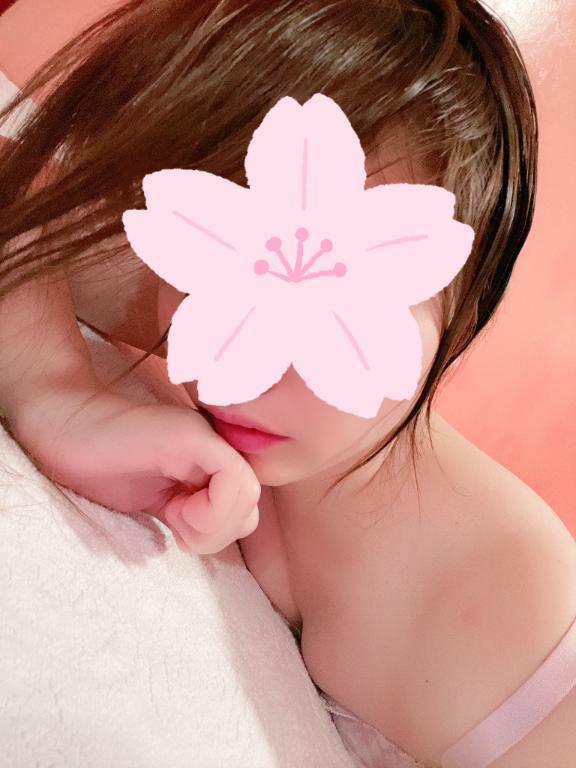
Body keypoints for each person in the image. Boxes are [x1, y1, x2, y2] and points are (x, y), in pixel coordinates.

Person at [1, 2, 576, 766]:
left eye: (335, 304)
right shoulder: (181, 286)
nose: (244, 372)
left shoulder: (520, 619)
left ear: (462, 315)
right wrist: (52, 392)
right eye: (223, 272)